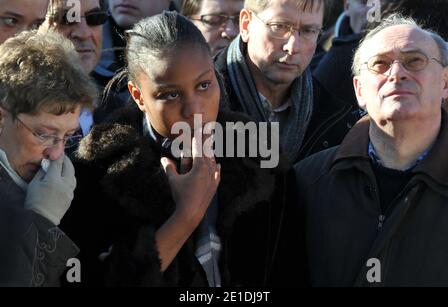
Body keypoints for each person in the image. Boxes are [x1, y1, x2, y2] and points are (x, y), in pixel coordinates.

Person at [61, 11, 294, 287]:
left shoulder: (259, 155)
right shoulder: (96, 171)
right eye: (171, 94)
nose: (194, 109)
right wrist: (185, 216)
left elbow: (289, 270)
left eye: (204, 85)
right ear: (138, 96)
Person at [294, 14, 448, 286]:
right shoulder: (307, 183)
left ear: (445, 82)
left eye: (415, 61)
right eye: (381, 64)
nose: (398, 73)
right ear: (359, 90)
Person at [0, 30, 97, 286]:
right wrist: (40, 220)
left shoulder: (65, 186)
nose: (55, 154)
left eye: (68, 137)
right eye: (43, 134)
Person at [215, 0, 360, 165]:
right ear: (246, 24)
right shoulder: (201, 103)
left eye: (308, 31)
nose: (293, 47)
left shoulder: (335, 118)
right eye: (279, 26)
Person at [39, 0, 108, 136]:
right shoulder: (11, 109)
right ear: (34, 25)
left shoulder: (124, 108)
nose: (84, 33)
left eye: (94, 17)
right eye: (67, 18)